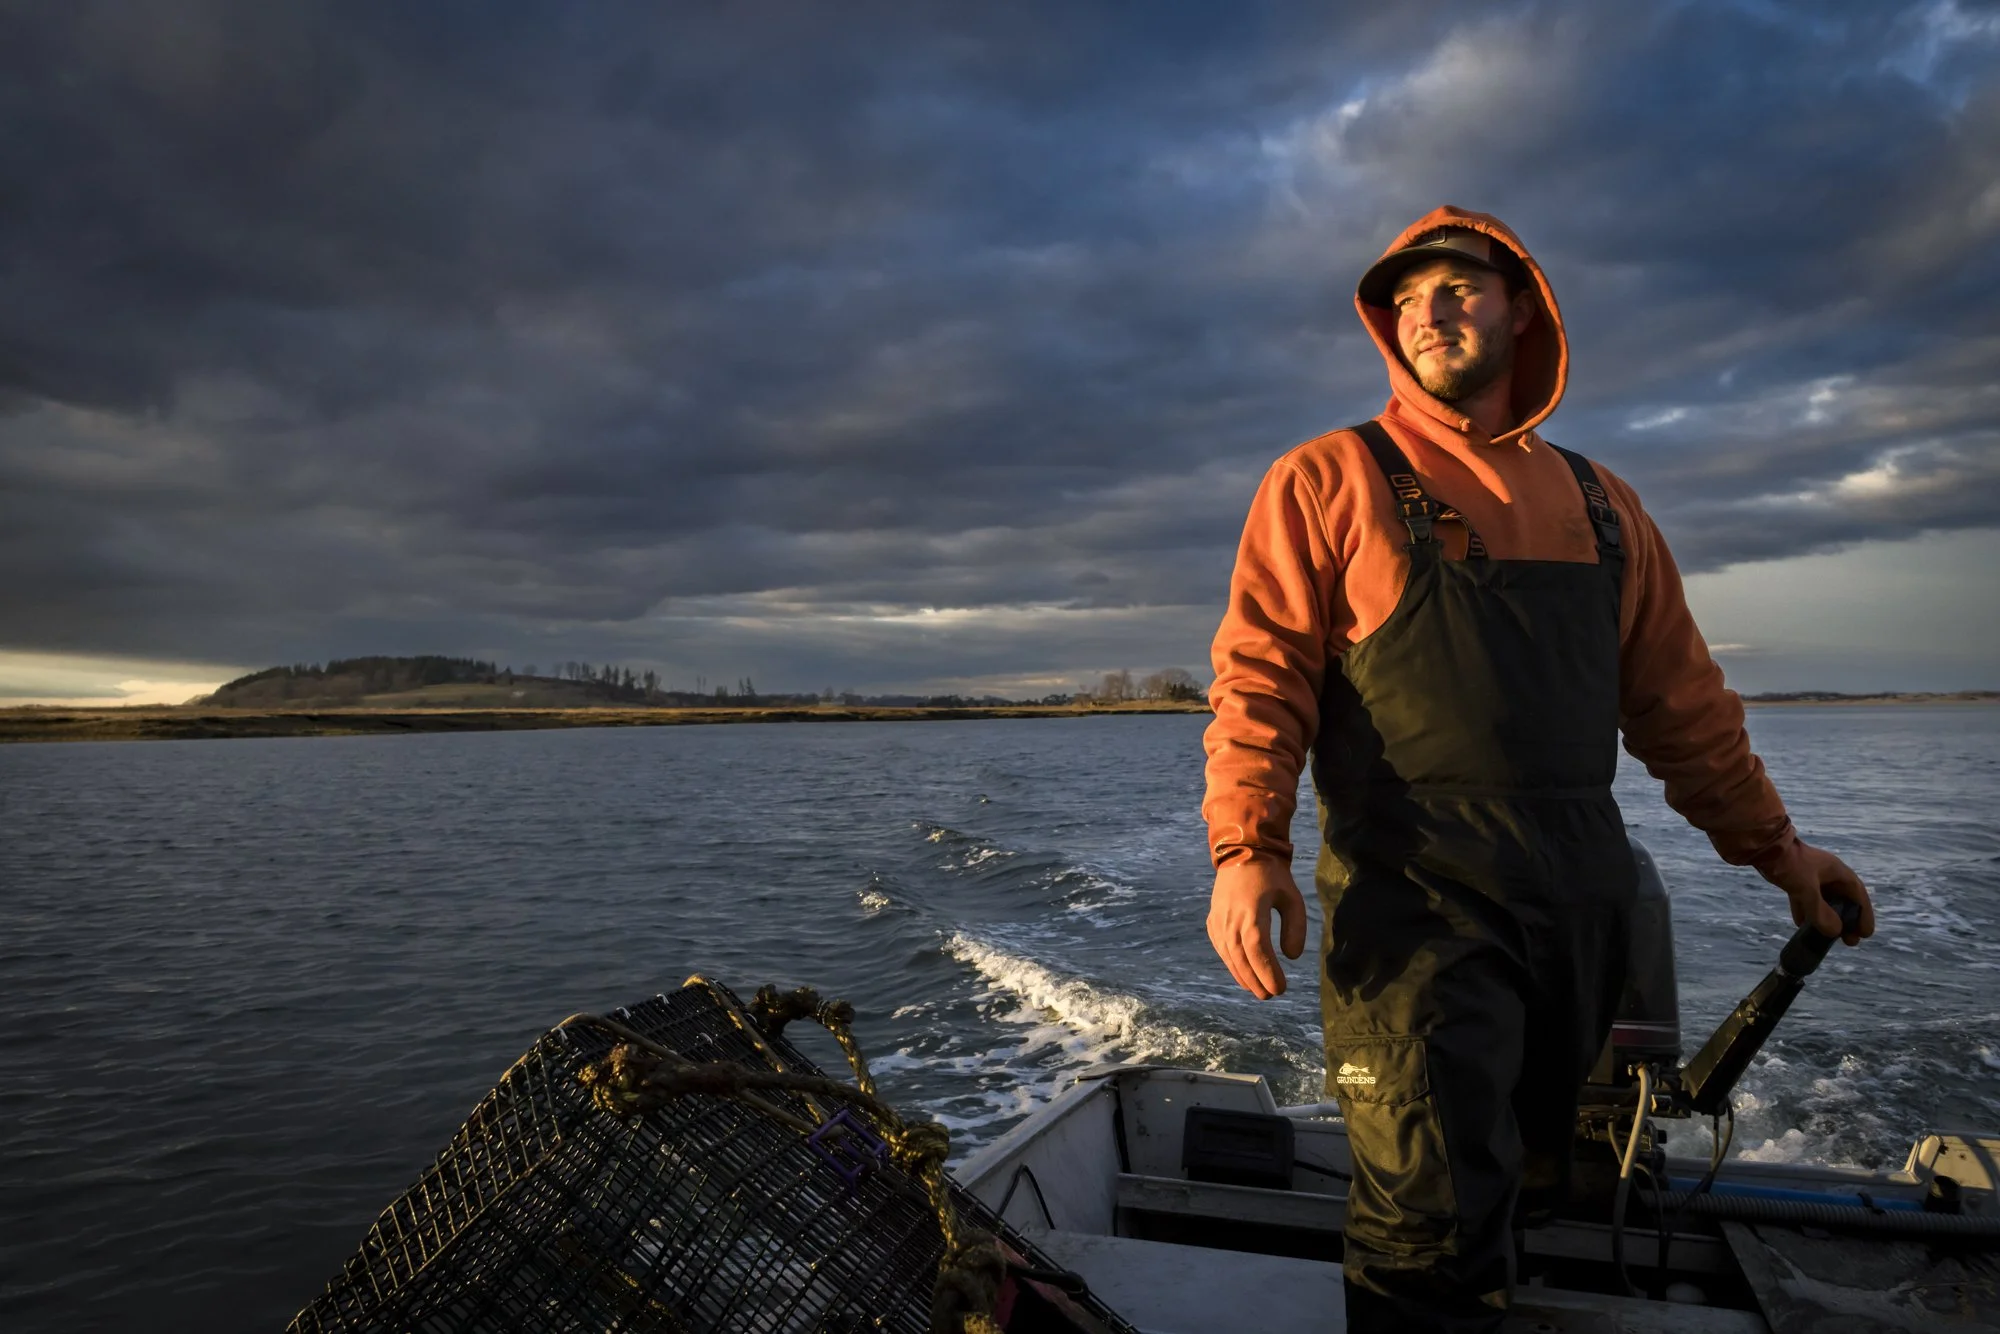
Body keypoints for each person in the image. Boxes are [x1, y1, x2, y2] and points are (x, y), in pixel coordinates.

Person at [1200, 205, 1876, 1333]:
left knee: (1531, 1178)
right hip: (1411, 897)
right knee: (1425, 1225)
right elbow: (1258, 679)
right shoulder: (1325, 479)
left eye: (1456, 286)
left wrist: (1779, 850)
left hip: (1579, 896)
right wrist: (1245, 846)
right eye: (1406, 298)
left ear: (1521, 306)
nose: (1429, 311)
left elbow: (1682, 706)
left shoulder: (1605, 506)